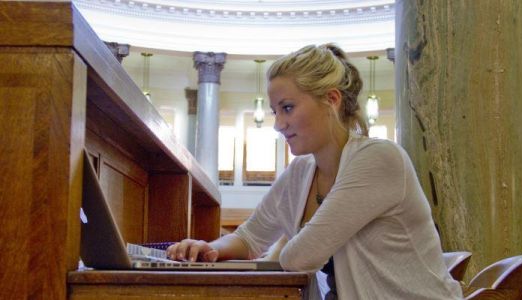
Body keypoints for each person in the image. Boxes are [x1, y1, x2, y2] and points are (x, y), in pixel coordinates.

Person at [167, 44, 462, 299]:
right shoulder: (301, 171)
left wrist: (276, 248)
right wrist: (208, 249)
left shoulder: (380, 158)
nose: (278, 123)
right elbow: (249, 237)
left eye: (288, 107)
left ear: (331, 100)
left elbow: (299, 257)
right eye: (275, 111)